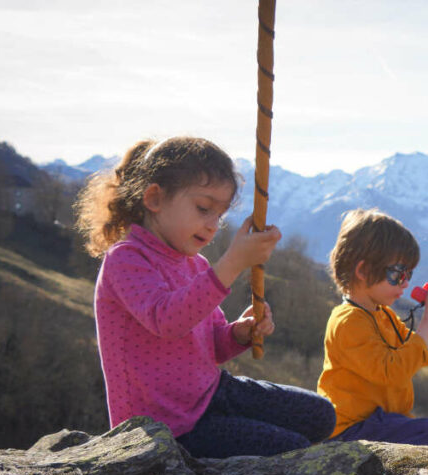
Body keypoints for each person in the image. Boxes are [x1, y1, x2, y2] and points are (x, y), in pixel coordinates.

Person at [75, 136, 335, 458]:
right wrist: (232, 264)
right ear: (154, 198)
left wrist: (240, 332)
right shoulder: (126, 260)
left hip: (211, 394)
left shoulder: (195, 264)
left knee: (321, 415)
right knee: (291, 449)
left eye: (220, 215)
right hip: (169, 427)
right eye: (203, 209)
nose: (213, 226)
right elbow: (167, 321)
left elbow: (212, 346)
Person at [317, 208, 428, 446]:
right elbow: (393, 373)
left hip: (382, 422)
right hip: (350, 430)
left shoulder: (382, 314)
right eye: (398, 274)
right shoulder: (347, 321)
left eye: (408, 274)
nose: (406, 283)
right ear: (363, 271)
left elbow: (419, 355)